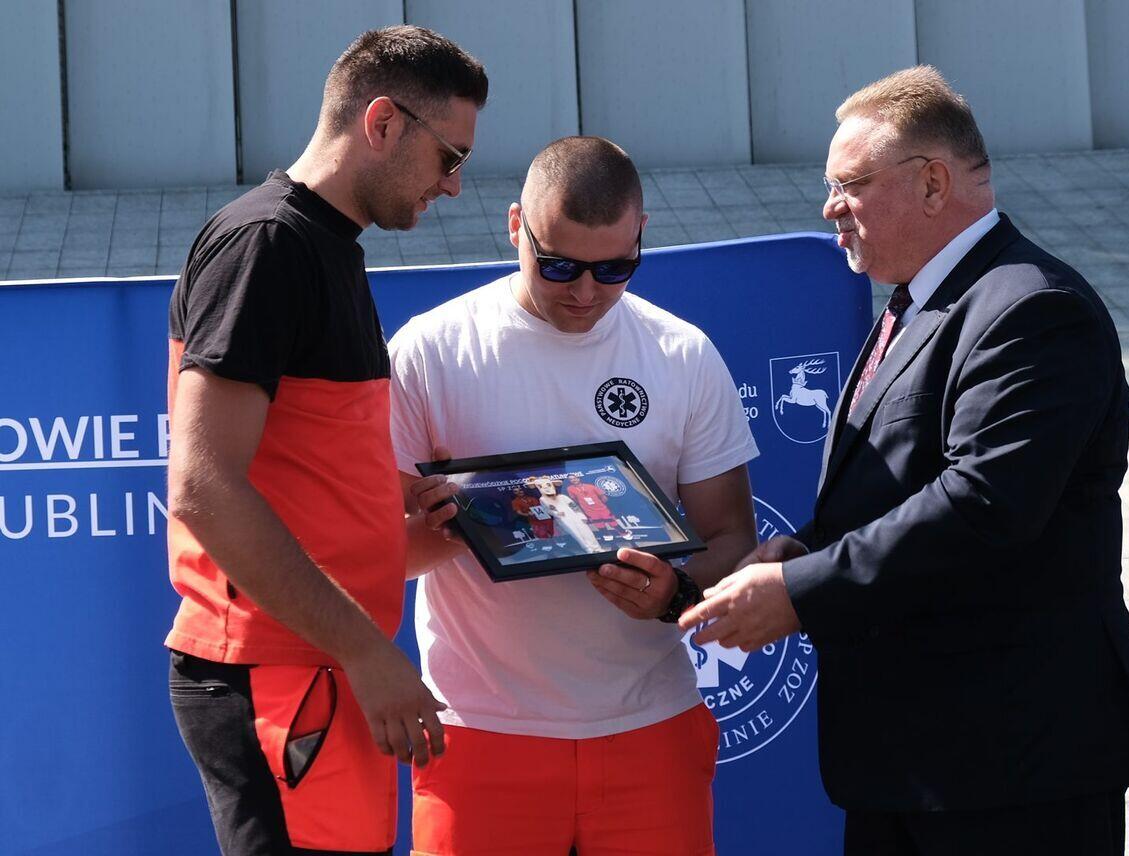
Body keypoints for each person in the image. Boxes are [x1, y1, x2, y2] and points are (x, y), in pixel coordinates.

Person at [680, 66, 1129, 855]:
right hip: (909, 767)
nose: (830, 208)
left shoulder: (1034, 308)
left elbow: (983, 506)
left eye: (850, 185)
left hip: (1015, 773)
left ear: (933, 184)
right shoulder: (919, 301)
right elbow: (901, 487)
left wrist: (802, 590)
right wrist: (804, 551)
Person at [163, 26, 487, 855]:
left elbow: (309, 488)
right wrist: (368, 654)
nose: (454, 185)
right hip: (285, 672)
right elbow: (202, 486)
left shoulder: (324, 245)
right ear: (382, 122)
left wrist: (430, 525)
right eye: (449, 157)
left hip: (320, 669)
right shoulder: (267, 243)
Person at [390, 136, 758, 855]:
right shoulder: (430, 351)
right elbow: (376, 555)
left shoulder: (682, 353)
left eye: (615, 268)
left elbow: (732, 540)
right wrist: (459, 527)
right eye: (558, 265)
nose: (585, 291)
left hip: (650, 727)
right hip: (481, 731)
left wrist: (673, 591)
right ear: (514, 227)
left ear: (641, 236)